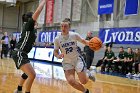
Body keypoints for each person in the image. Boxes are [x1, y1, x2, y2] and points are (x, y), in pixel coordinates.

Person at [12, 0, 46, 93]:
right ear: (31, 19)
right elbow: (38, 10)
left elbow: (34, 31)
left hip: (22, 53)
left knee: (27, 74)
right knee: (32, 75)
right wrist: (43, 1)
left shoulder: (31, 28)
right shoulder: (28, 25)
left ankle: (19, 89)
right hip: (19, 53)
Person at [53, 18, 95, 93]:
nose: (63, 28)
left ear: (69, 27)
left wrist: (92, 44)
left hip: (77, 59)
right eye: (62, 26)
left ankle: (88, 74)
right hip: (67, 62)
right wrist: (58, 55)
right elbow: (55, 51)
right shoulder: (57, 39)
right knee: (71, 81)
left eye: (65, 26)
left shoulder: (74, 35)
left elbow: (84, 41)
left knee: (84, 81)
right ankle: (85, 91)